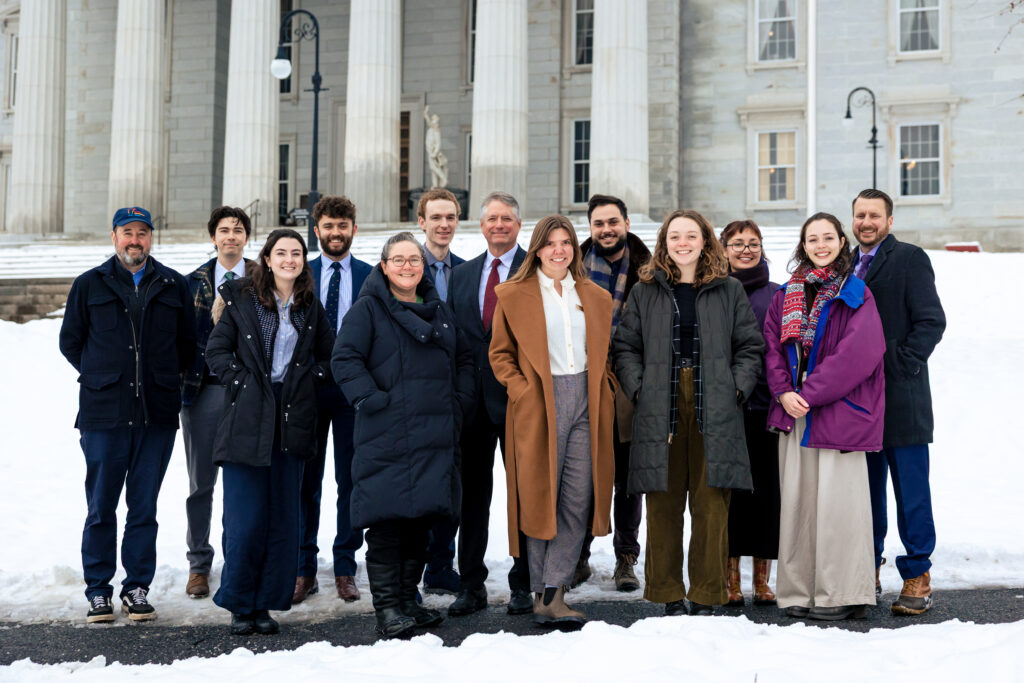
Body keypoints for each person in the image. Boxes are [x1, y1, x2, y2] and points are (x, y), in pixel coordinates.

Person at [612, 209, 763, 617]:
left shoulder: (728, 288)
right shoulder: (645, 290)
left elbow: (750, 346)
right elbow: (625, 346)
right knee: (663, 501)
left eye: (690, 235)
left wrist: (736, 386)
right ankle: (666, 592)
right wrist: (640, 387)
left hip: (715, 399)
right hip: (660, 401)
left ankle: (707, 593)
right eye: (674, 236)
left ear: (704, 240)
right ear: (664, 242)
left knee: (712, 502)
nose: (683, 243)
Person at [332, 232, 474, 639]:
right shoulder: (368, 309)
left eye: (414, 259)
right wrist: (372, 400)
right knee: (387, 524)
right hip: (387, 432)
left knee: (420, 521)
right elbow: (344, 358)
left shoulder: (438, 309)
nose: (408, 266)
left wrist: (459, 399)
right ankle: (388, 608)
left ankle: (409, 600)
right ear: (384, 266)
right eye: (399, 260)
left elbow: (463, 356)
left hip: (433, 433)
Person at [59, 206, 196, 624]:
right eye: (127, 232)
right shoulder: (89, 284)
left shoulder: (173, 284)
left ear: (151, 237)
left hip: (156, 415)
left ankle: (137, 587)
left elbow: (187, 347)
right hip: (104, 416)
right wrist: (105, 376)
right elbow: (71, 342)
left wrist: (160, 380)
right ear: (114, 236)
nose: (134, 240)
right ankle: (98, 590)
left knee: (143, 508)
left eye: (142, 232)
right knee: (101, 506)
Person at [489, 214, 616, 628]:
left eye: (566, 242)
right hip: (539, 401)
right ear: (537, 248)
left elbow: (602, 352)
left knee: (578, 498)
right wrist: (522, 390)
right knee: (540, 496)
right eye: (550, 243)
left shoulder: (595, 296)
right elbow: (500, 355)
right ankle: (541, 592)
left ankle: (556, 589)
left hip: (586, 400)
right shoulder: (512, 294)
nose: (558, 250)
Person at [205, 229, 334, 636]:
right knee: (245, 520)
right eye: (282, 253)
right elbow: (216, 351)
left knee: (283, 520)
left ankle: (266, 603)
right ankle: (240, 603)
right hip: (248, 418)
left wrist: (309, 378)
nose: (290, 260)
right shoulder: (243, 298)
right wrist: (242, 383)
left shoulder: (309, 305)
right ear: (268, 257)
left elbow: (330, 356)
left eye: (296, 253)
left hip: (292, 420)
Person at [763, 212, 886, 621]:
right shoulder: (785, 295)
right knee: (798, 506)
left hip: (837, 414)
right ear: (803, 245)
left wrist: (807, 394)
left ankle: (839, 593)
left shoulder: (855, 293)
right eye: (812, 239)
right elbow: (771, 349)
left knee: (839, 508)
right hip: (794, 414)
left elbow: (858, 355)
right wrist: (783, 392)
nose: (820, 245)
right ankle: (798, 591)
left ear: (840, 242)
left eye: (827, 237)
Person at [851, 189, 946, 615]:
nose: (866, 221)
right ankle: (864, 570)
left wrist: (899, 362)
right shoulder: (843, 265)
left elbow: (931, 321)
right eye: (859, 215)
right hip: (857, 404)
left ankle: (917, 574)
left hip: (902, 398)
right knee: (863, 494)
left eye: (874, 215)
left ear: (890, 220)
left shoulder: (909, 258)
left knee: (911, 493)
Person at [447, 191, 532, 617]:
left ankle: (523, 583)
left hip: (519, 400)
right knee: (471, 498)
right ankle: (471, 585)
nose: (499, 224)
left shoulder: (532, 271)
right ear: (481, 226)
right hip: (471, 404)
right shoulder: (462, 276)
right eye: (492, 218)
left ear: (519, 225)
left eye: (507, 219)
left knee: (521, 494)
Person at [294, 196, 372, 605]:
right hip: (306, 391)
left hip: (351, 392)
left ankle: (345, 566)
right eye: (328, 226)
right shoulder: (298, 272)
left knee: (351, 481)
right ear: (317, 229)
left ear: (353, 229)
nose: (335, 233)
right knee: (305, 482)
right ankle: (303, 568)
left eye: (343, 225)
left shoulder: (370, 276)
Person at [573, 194, 651, 593]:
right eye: (598, 223)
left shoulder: (649, 268)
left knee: (627, 474)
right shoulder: (572, 266)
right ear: (590, 227)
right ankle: (579, 555)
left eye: (613, 222)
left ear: (626, 222)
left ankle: (626, 557)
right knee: (582, 472)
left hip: (629, 378)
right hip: (584, 377)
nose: (606, 229)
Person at [180, 206, 252, 600]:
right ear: (213, 237)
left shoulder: (264, 277)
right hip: (203, 390)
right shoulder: (192, 283)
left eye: (238, 230)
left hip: (251, 394)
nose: (230, 237)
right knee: (200, 483)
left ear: (246, 237)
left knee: (245, 482)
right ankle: (198, 565)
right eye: (223, 230)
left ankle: (239, 561)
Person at [719, 219, 781, 608]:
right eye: (738, 243)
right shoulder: (716, 291)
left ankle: (762, 580)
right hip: (727, 410)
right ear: (724, 249)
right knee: (731, 497)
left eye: (753, 243)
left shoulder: (777, 294)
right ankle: (729, 580)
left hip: (768, 408)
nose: (746, 249)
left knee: (767, 496)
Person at [417, 187, 466, 595]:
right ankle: (412, 566)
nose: (444, 224)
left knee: (452, 483)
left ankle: (441, 564)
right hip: (413, 395)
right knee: (417, 481)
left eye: (450, 217)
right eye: (436, 217)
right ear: (422, 222)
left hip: (453, 396)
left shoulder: (465, 273)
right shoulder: (403, 268)